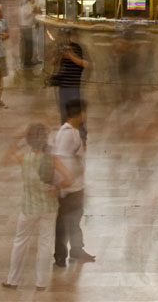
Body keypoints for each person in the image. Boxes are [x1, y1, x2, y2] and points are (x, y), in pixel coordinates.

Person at [3, 124, 73, 291]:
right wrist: (56, 187)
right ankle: (41, 282)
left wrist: (22, 134)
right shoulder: (52, 159)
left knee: (20, 242)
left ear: (29, 141)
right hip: (48, 207)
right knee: (45, 243)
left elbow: (11, 147)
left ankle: (13, 280)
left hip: (28, 207)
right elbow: (69, 179)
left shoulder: (24, 158)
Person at [53, 100, 95, 267]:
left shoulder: (71, 132)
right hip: (71, 188)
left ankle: (75, 251)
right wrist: (66, 179)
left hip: (75, 186)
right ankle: (62, 256)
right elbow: (57, 158)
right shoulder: (68, 133)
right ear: (79, 114)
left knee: (73, 220)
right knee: (65, 222)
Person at [54, 30, 89, 140]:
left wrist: (71, 56)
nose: (63, 38)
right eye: (61, 36)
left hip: (74, 86)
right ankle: (65, 136)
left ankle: (81, 136)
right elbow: (53, 62)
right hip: (63, 86)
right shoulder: (60, 48)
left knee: (76, 112)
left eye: (64, 36)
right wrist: (59, 55)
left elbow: (85, 64)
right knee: (64, 113)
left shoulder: (77, 48)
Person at [19, 0, 40, 68]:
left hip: (25, 25)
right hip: (26, 26)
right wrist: (33, 9)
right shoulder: (27, 2)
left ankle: (27, 61)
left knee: (28, 45)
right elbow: (26, 13)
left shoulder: (27, 1)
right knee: (29, 45)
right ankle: (27, 62)